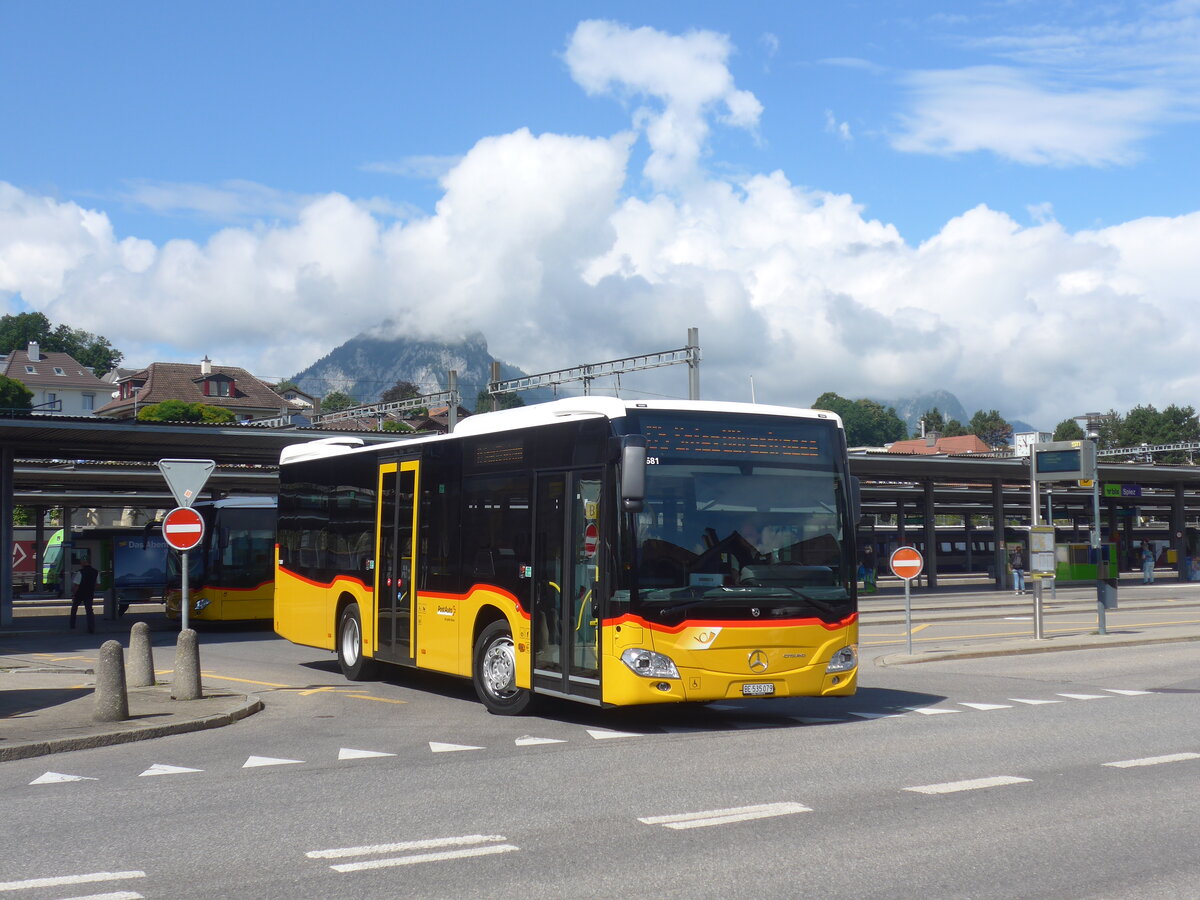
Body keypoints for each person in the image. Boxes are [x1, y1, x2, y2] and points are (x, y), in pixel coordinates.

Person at [69, 559, 99, 634]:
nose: (80, 563)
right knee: (89, 610)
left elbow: (76, 585)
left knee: (74, 609)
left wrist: (73, 594)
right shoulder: (96, 572)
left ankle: (72, 624)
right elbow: (98, 584)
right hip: (89, 593)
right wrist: (92, 589)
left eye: (81, 562)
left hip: (80, 593)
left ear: (84, 563)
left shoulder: (80, 572)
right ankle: (91, 627)